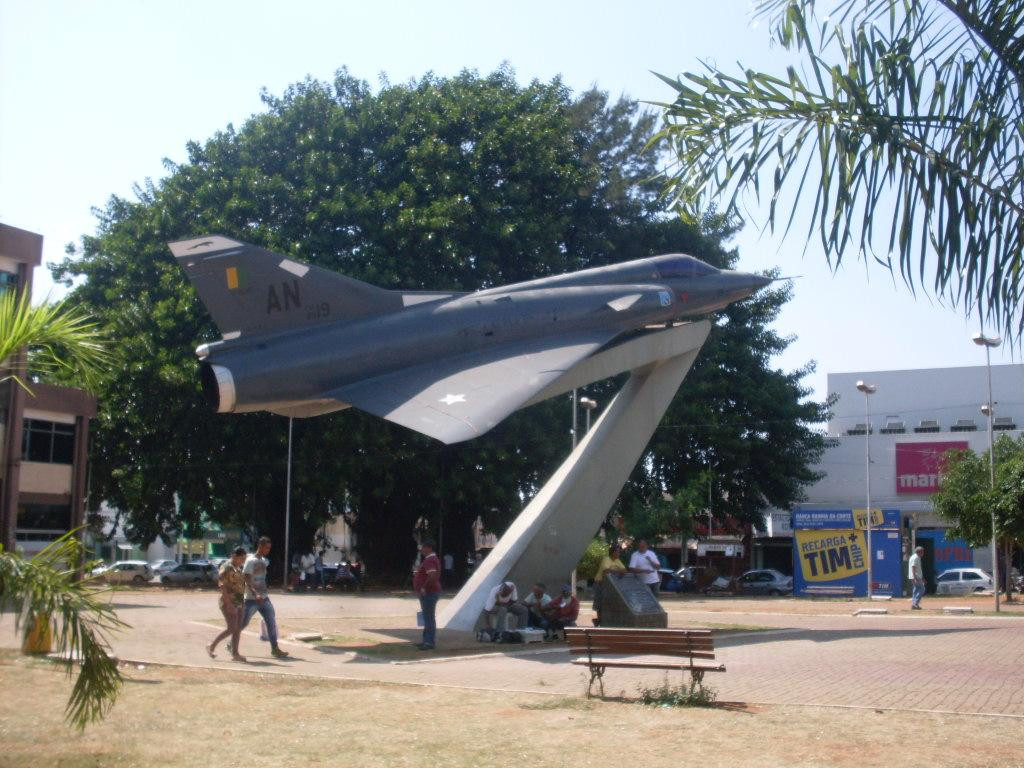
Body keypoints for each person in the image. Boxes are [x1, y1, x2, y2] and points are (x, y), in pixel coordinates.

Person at [240, 536, 289, 658]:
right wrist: (255, 593)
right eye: (266, 548)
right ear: (260, 546)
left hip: (264, 598)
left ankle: (275, 648)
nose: (268, 550)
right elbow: (246, 578)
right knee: (243, 623)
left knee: (271, 622)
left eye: (269, 548)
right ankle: (232, 644)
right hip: (252, 599)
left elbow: (262, 579)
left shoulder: (264, 561)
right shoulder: (251, 561)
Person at [207, 546, 247, 662]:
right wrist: (229, 604)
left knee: (238, 629)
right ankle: (211, 646)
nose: (243, 561)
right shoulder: (227, 567)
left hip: (239, 601)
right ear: (234, 556)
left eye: (244, 558)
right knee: (231, 628)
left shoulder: (238, 568)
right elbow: (222, 586)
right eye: (241, 558)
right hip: (228, 602)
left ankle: (235, 654)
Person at [413, 539, 442, 650]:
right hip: (430, 591)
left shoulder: (430, 560)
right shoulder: (431, 559)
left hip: (430, 592)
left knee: (429, 617)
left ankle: (429, 642)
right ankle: (426, 640)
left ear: (429, 548)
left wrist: (424, 587)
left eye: (424, 547)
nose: (422, 549)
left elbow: (432, 576)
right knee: (427, 617)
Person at [592, 543, 626, 626]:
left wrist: (617, 571)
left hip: (609, 586)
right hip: (599, 583)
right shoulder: (606, 559)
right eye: (617, 552)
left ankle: (605, 620)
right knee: (599, 603)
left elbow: (624, 570)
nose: (619, 554)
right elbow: (606, 571)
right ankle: (599, 620)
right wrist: (618, 571)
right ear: (613, 552)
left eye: (619, 552)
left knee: (607, 603)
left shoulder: (617, 560)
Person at [909, 545, 925, 610]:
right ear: (919, 552)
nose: (923, 553)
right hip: (916, 576)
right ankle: (915, 603)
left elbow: (917, 568)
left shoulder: (913, 557)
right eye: (922, 552)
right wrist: (915, 577)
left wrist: (922, 577)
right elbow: (913, 567)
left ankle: (914, 604)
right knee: (922, 589)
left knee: (916, 590)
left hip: (915, 576)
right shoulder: (916, 558)